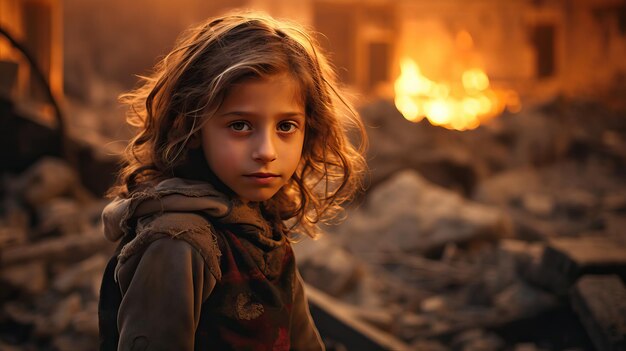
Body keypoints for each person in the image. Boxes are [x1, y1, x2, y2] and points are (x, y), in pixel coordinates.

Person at [97, 10, 367, 351]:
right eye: (240, 125)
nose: (266, 151)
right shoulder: (177, 244)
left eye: (286, 126)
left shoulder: (259, 226)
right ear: (191, 127)